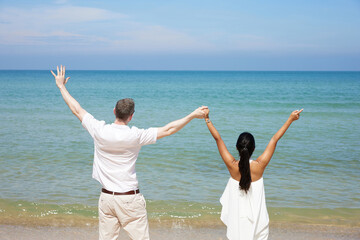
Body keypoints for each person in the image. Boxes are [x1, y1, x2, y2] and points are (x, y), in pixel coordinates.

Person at [51, 66, 207, 240]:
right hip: (129, 200)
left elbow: (77, 110)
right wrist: (192, 115)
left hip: (107, 198)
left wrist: (61, 86)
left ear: (114, 112)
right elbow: (169, 129)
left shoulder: (99, 130)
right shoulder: (136, 135)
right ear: (131, 116)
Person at [203, 108, 303, 240]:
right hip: (257, 222)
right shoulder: (260, 166)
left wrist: (207, 119)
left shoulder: (232, 166)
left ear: (237, 148)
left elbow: (218, 139)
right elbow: (274, 139)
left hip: (237, 223)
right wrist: (290, 119)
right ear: (254, 149)